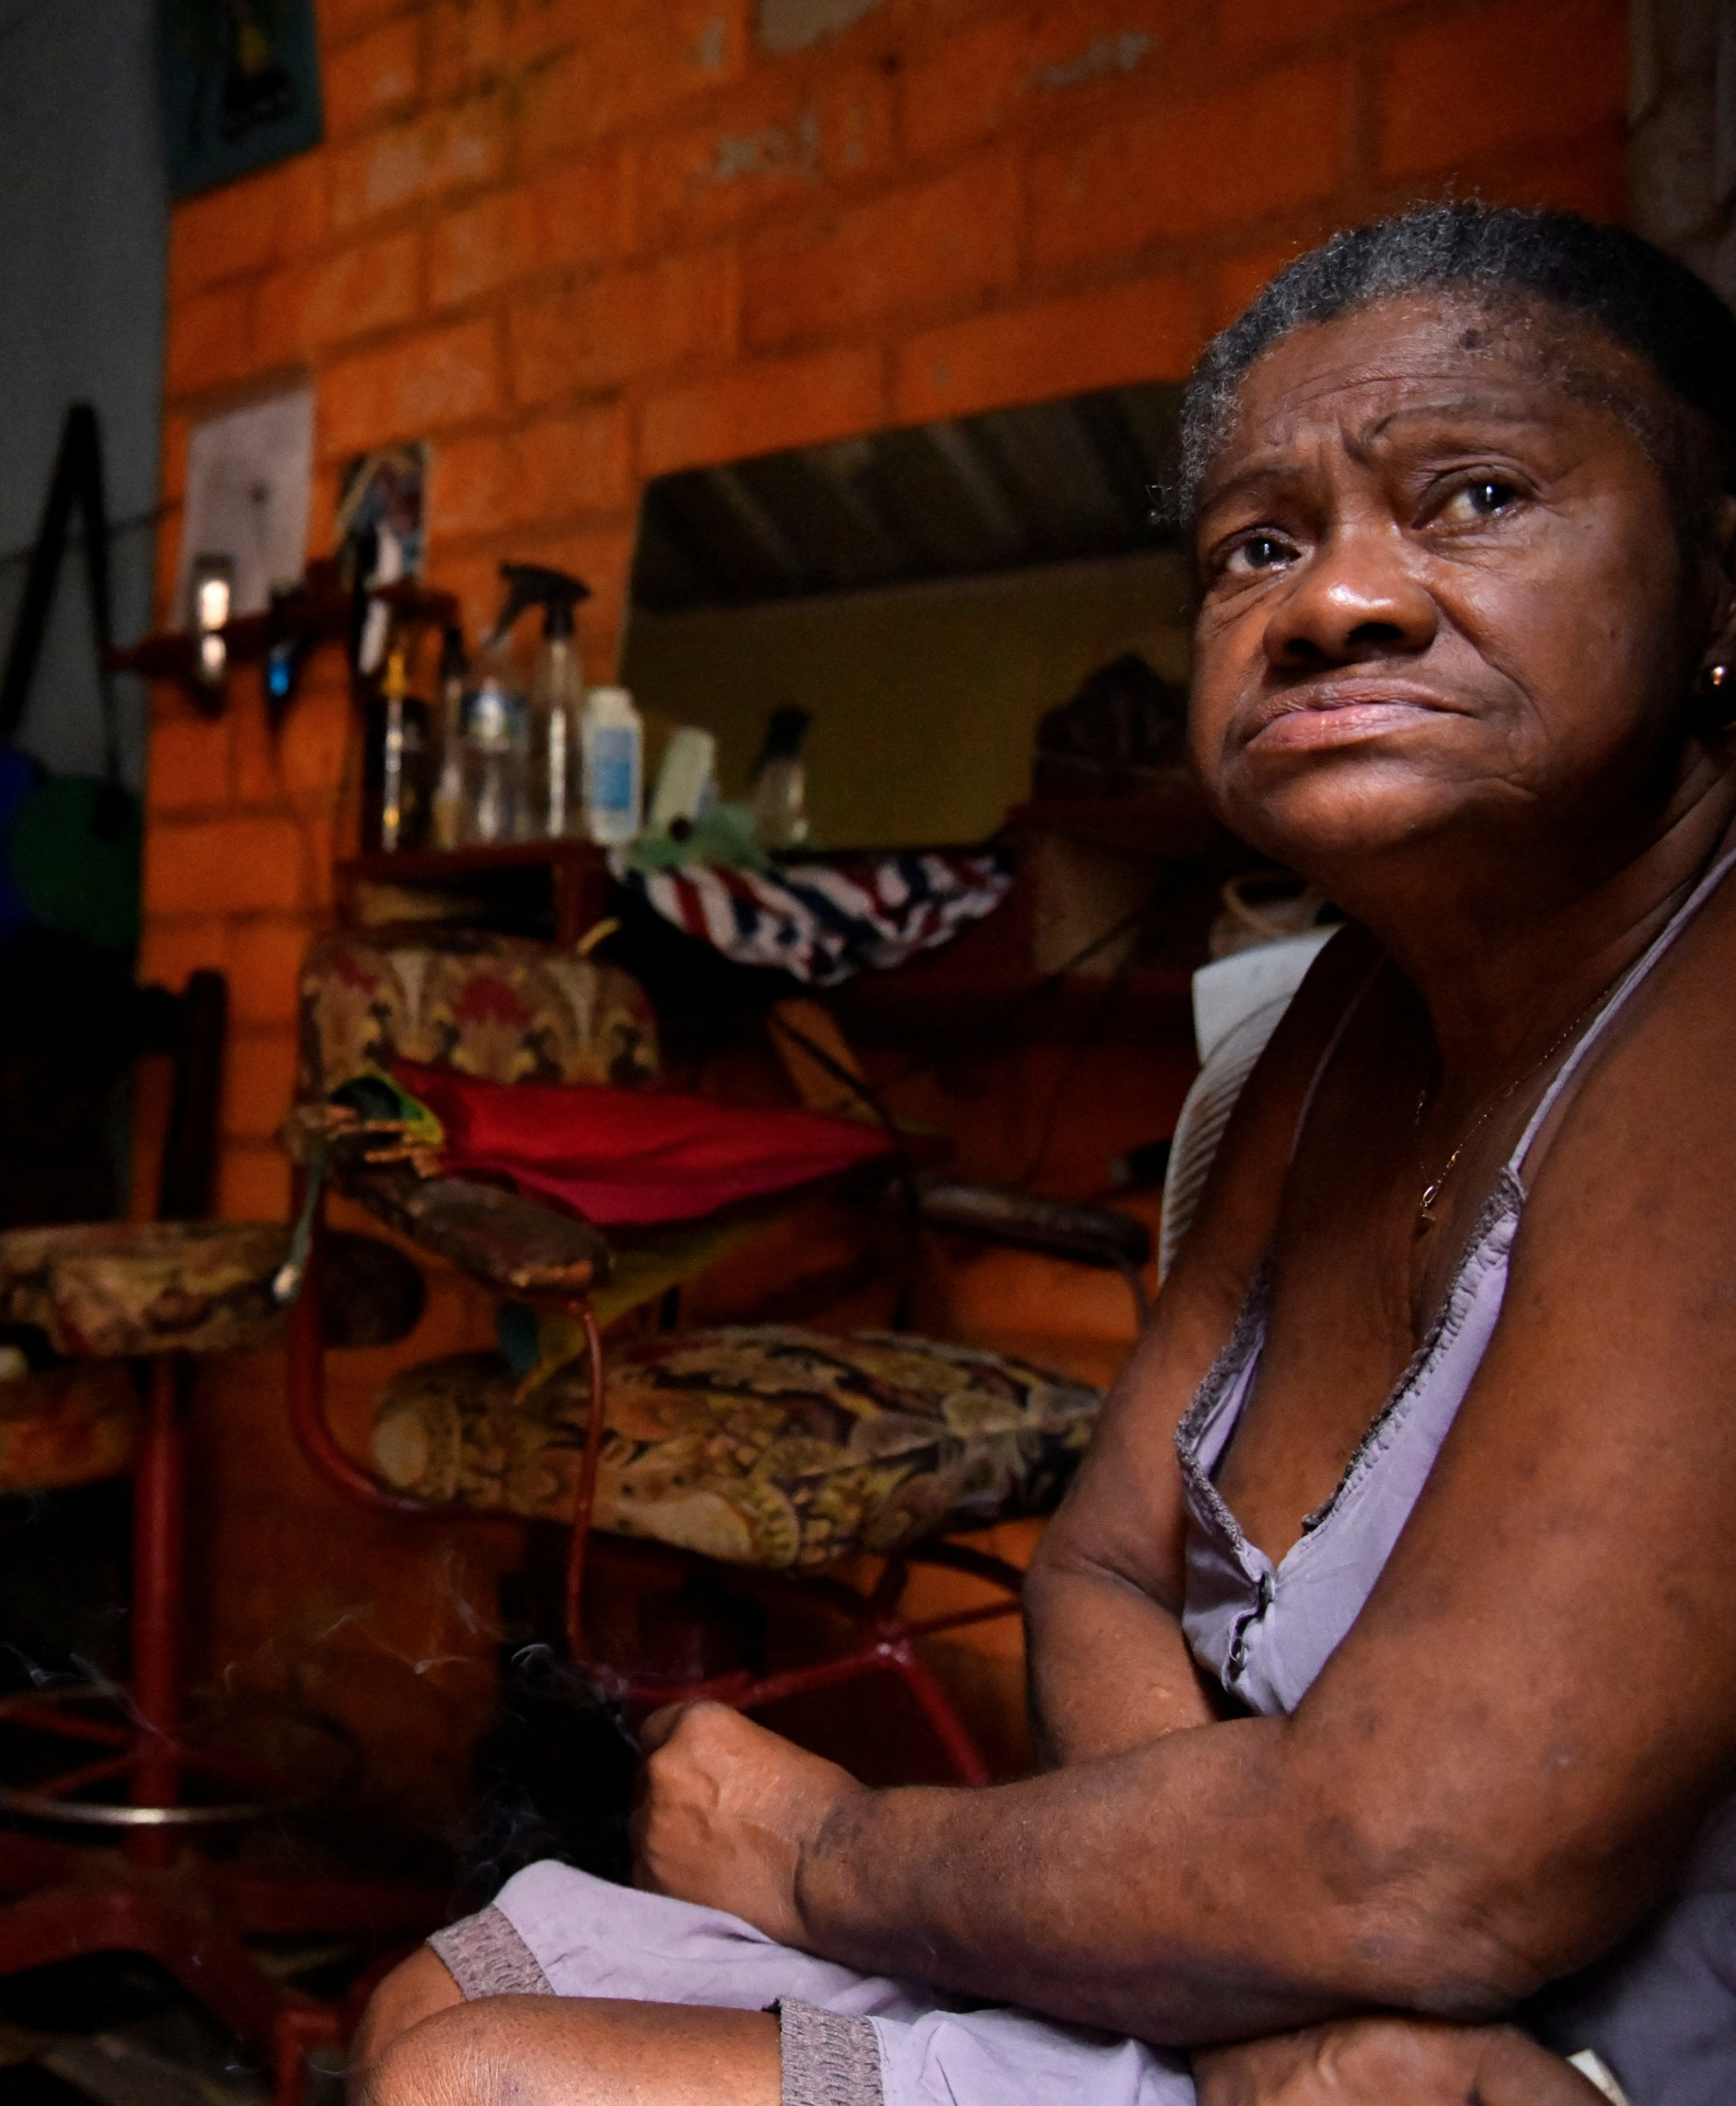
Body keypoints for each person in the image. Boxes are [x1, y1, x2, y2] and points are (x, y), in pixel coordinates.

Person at [355, 201, 1736, 2106]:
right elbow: (1098, 1556)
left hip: (1539, 2060)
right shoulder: (1333, 1021)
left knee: (477, 2082)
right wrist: (1253, 1983)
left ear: (1724, 592)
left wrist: (835, 1850)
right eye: (1259, 543)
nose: (1335, 599)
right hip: (1301, 1988)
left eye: (1476, 494)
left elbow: (1414, 1863)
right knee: (427, 2001)